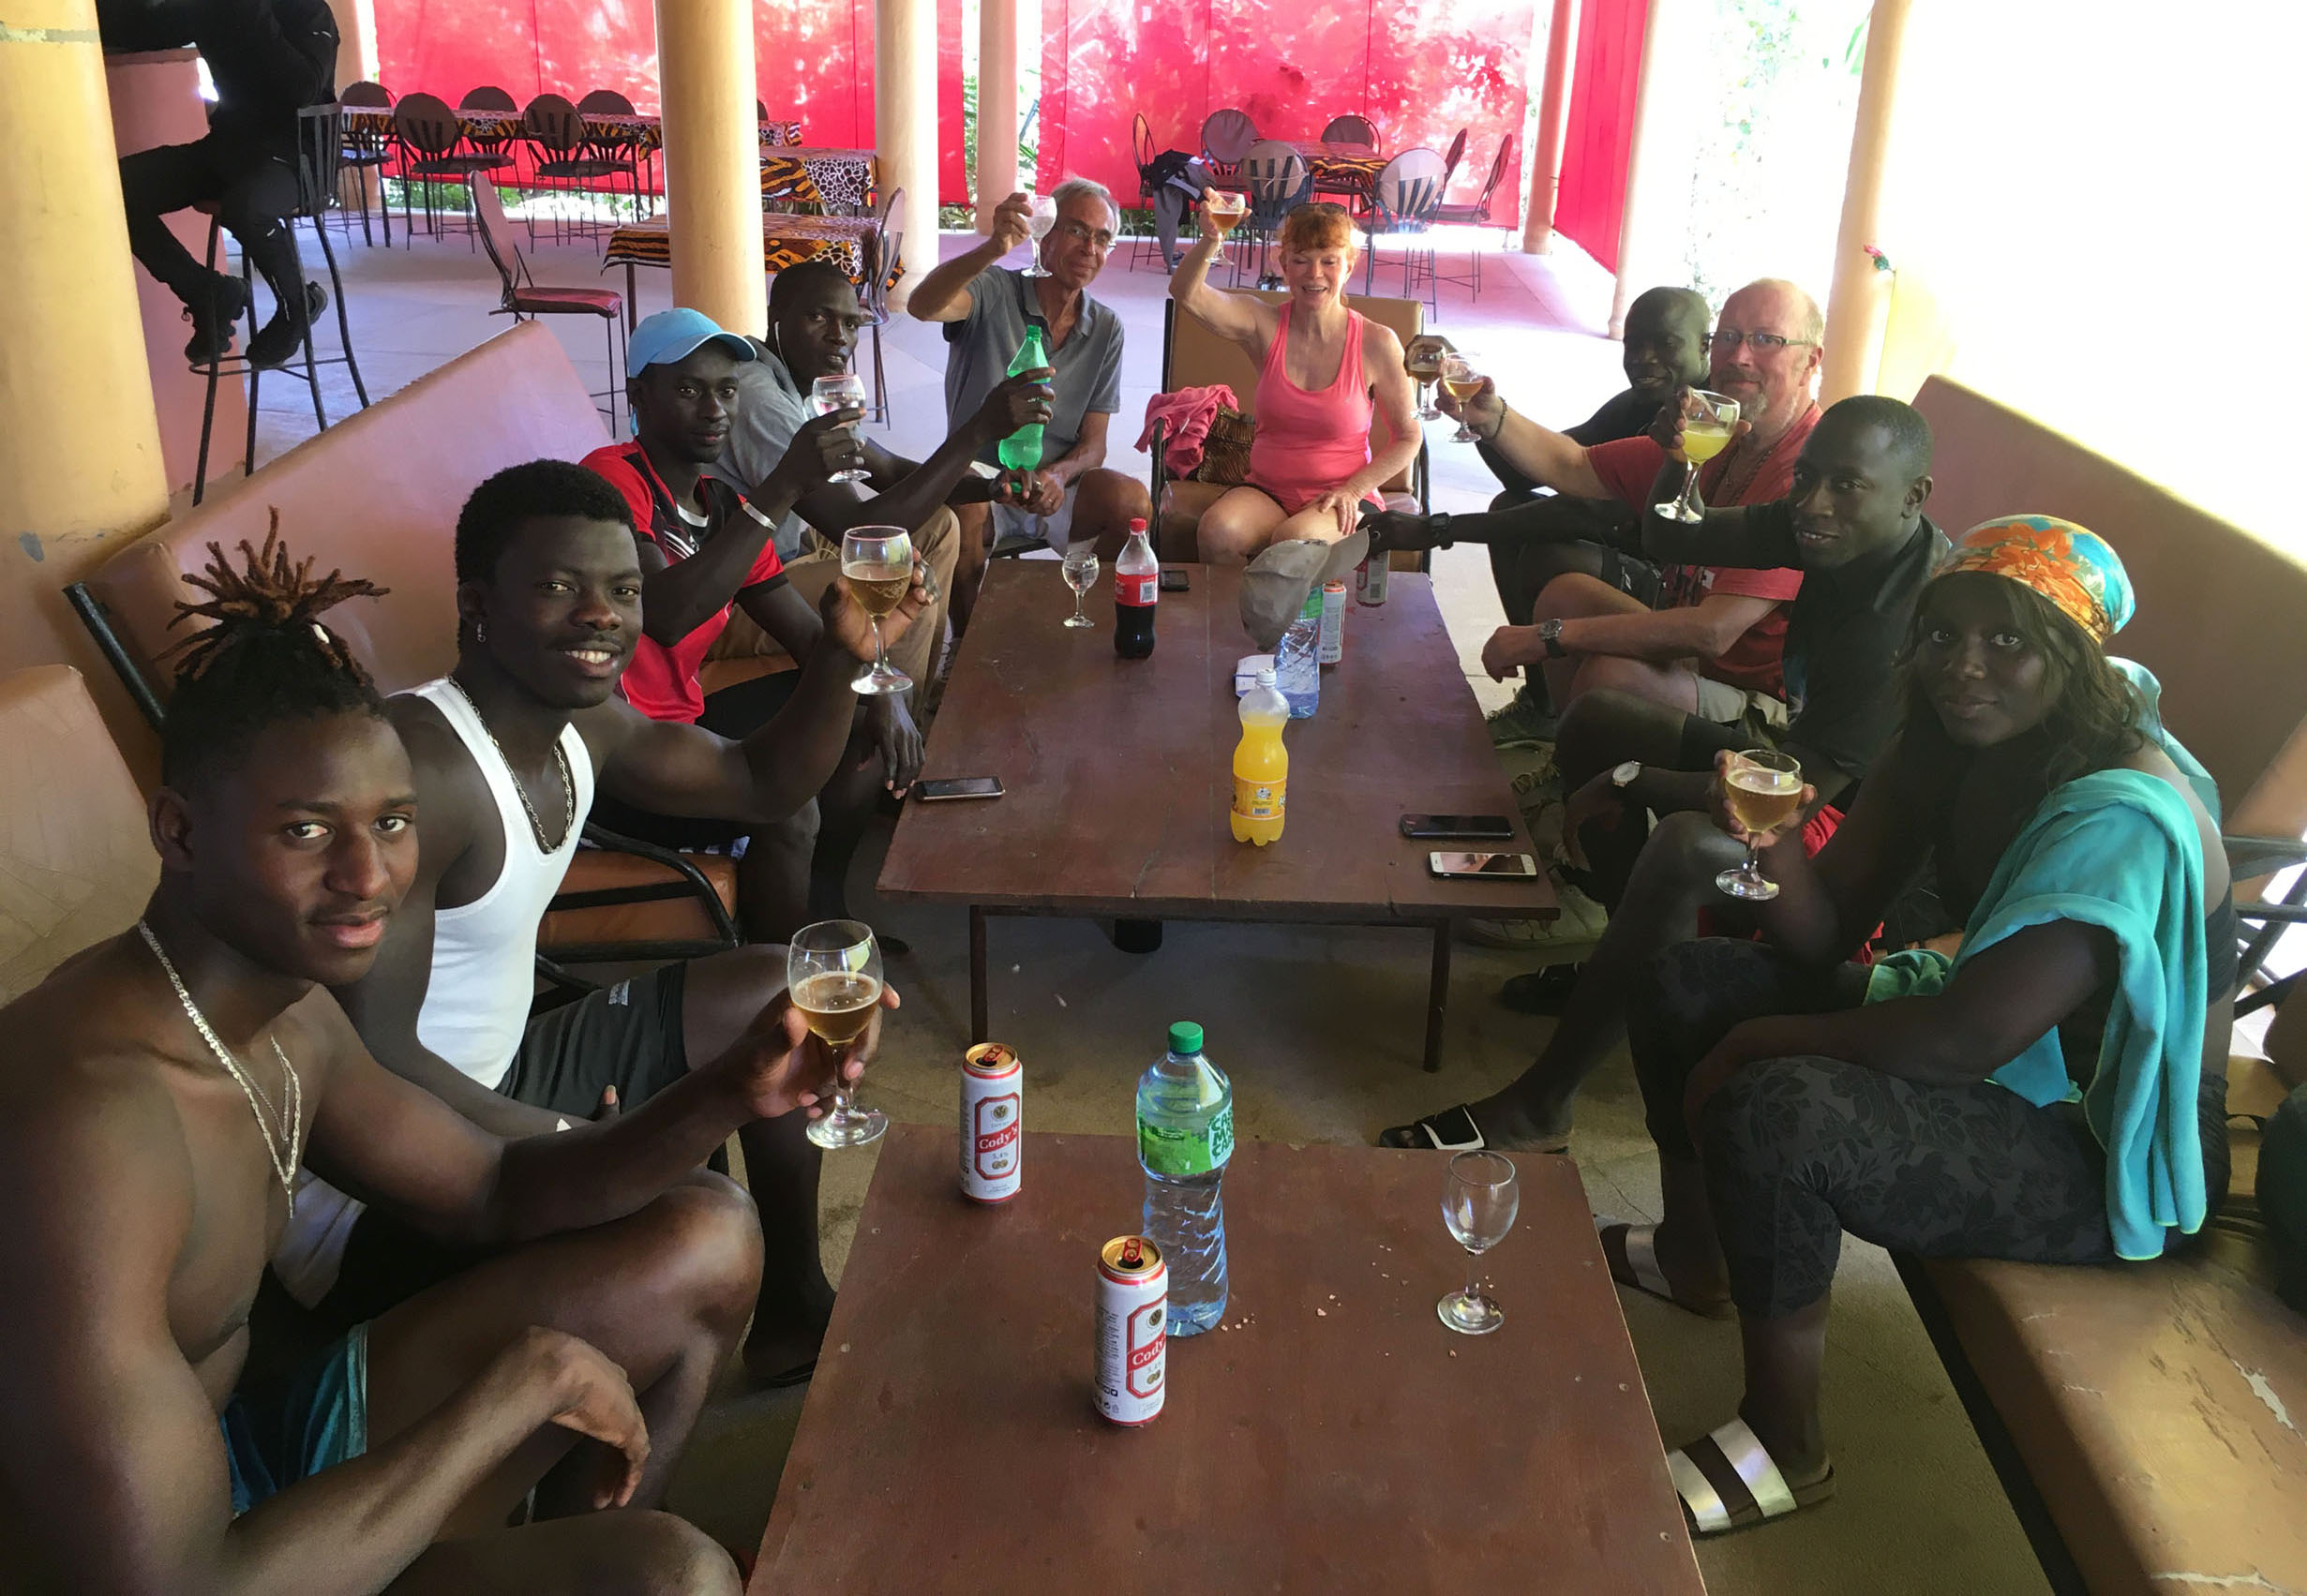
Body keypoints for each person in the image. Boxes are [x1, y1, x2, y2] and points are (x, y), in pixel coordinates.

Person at [0, 536, 888, 1590]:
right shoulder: (90, 1131)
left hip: (253, 1438)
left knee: (703, 1228)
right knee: (674, 1574)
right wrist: (510, 1396)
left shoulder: (285, 1013)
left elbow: (488, 1186)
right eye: (305, 830)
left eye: (391, 822)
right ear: (180, 831)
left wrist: (730, 1091)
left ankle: (558, 1535)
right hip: (180, 1557)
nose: (367, 875)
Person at [1599, 520, 2228, 1536]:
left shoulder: (2120, 812)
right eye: (1940, 635)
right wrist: (1769, 834)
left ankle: (1784, 1441)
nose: (1962, 665)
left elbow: (1956, 1042)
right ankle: (1694, 1255)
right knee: (1688, 984)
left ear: (2072, 654)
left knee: (1779, 1104)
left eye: (2005, 642)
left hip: (2100, 1131)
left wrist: (1757, 1043)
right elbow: (1821, 933)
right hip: (1997, 1033)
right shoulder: (1946, 732)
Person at [309, 460, 929, 1387]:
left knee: (776, 992)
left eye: (624, 588)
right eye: (560, 585)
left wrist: (841, 658)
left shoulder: (582, 723)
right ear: (477, 603)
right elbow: (369, 1062)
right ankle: (587, 1500)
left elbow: (762, 782)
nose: (603, 613)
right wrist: (576, 1143)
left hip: (504, 1069)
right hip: (386, 1179)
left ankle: (796, 1307)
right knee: (696, 1209)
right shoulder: (424, 769)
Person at [1382, 396, 1944, 1153]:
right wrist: (1683, 460)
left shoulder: (1894, 628)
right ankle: (1624, 963)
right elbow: (1669, 529)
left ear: (1912, 497)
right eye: (1806, 479)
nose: (1813, 504)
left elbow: (1773, 805)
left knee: (1685, 840)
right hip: (1806, 771)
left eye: (1846, 485)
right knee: (1596, 719)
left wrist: (1627, 783)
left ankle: (1542, 1101)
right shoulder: (1819, 524)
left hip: (1872, 864)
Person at [578, 306, 904, 943]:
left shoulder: (721, 507)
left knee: (855, 704)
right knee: (787, 809)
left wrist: (883, 695)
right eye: (689, 389)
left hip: (682, 727)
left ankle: (820, 902)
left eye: (726, 391)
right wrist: (781, 486)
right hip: (613, 756)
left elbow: (812, 641)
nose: (714, 409)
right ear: (639, 397)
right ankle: (774, 986)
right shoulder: (610, 483)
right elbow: (665, 615)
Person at [1445, 278, 1828, 734]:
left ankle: (1599, 782)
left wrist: (1549, 638)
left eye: (1766, 340)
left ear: (1810, 362)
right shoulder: (1716, 429)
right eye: (1728, 337)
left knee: (1610, 676)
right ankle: (1571, 762)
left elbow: (1713, 632)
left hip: (1760, 701)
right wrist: (1492, 416)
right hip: (1695, 645)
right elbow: (1575, 464)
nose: (1740, 355)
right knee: (1563, 595)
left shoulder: (1805, 472)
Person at [714, 258, 1057, 692]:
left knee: (940, 523)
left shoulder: (813, 384)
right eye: (818, 317)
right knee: (895, 577)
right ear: (775, 318)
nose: (839, 337)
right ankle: (894, 730)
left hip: (790, 544)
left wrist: (987, 487)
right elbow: (851, 527)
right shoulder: (759, 397)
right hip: (745, 588)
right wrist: (976, 431)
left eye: (851, 323)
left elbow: (888, 469)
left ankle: (921, 690)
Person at [1375, 288, 1713, 669]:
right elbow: (1535, 473)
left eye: (1665, 344)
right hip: (1630, 553)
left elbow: (1588, 511)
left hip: (1683, 592)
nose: (1643, 360)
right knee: (1509, 509)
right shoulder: (1638, 404)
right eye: (1633, 345)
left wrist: (1440, 529)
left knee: (1549, 555)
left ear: (1705, 345)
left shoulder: (1701, 421)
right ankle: (1539, 705)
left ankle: (1547, 695)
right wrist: (1479, 415)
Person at [907, 182, 1151, 634]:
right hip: (980, 476)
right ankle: (963, 649)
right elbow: (922, 305)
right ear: (1045, 234)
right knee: (965, 509)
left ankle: (1077, 620)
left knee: (1130, 502)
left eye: (1102, 238)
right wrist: (994, 247)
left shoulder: (1106, 328)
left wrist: (1056, 475)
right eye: (1077, 230)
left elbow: (1094, 444)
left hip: (1051, 483)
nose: (1090, 248)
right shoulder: (994, 291)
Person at [1166, 199, 1420, 564]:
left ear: (1349, 265)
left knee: (1292, 543)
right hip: (1268, 490)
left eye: (1329, 260)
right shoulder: (1262, 324)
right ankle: (1239, 620)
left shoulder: (1377, 342)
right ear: (1283, 265)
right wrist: (1211, 238)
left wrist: (1353, 490)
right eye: (1300, 259)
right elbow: (1186, 293)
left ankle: (1293, 621)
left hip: (1341, 497)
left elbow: (1409, 436)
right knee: (1217, 532)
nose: (1314, 273)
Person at [101, 0, 337, 367]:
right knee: (114, 190)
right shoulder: (213, 7)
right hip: (230, 148)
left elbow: (303, 88)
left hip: (297, 158)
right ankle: (206, 291)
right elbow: (141, 27)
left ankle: (297, 306)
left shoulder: (306, 9)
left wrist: (254, 12)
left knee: (246, 208)